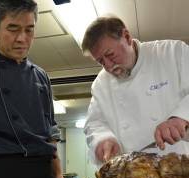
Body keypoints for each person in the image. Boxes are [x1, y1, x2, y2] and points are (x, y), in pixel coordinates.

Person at [81, 15, 189, 165]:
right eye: (100, 61)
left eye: (110, 55)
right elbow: (95, 123)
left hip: (181, 169)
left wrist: (180, 117)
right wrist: (103, 139)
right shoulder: (101, 84)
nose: (108, 66)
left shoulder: (172, 52)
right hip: (134, 175)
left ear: (127, 37)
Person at [0, 0, 65, 178]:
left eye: (29, 30)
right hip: (2, 176)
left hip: (44, 174)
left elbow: (51, 130)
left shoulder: (41, 76)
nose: (22, 38)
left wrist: (58, 174)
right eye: (13, 29)